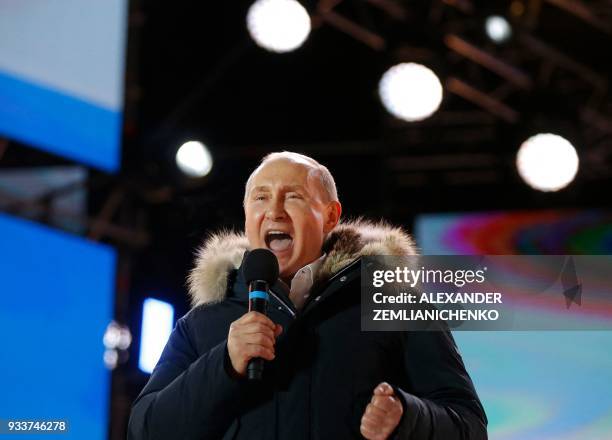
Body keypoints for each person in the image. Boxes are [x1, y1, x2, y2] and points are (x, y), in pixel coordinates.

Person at [128, 152, 487, 440]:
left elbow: (469, 425)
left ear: (331, 216)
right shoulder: (203, 323)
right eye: (261, 197)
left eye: (294, 196)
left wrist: (406, 418)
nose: (274, 210)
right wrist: (224, 365)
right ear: (247, 213)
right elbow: (145, 429)